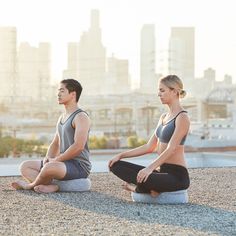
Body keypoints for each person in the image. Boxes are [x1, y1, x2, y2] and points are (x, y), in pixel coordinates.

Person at [109, 75, 190, 197]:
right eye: (159, 90)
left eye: (162, 90)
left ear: (174, 91)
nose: (159, 94)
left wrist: (149, 169)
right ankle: (152, 189)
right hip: (160, 172)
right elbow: (149, 147)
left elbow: (171, 149)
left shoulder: (182, 117)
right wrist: (120, 155)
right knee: (115, 166)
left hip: (177, 176)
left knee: (146, 177)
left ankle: (137, 188)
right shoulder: (163, 117)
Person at [11, 79, 91, 193]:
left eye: (62, 91)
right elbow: (55, 143)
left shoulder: (81, 117)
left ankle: (30, 186)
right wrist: (47, 158)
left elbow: (78, 146)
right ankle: (54, 186)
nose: (58, 94)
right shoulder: (62, 117)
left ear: (73, 94)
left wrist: (55, 160)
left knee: (49, 168)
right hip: (61, 163)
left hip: (78, 166)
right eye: (58, 91)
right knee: (25, 166)